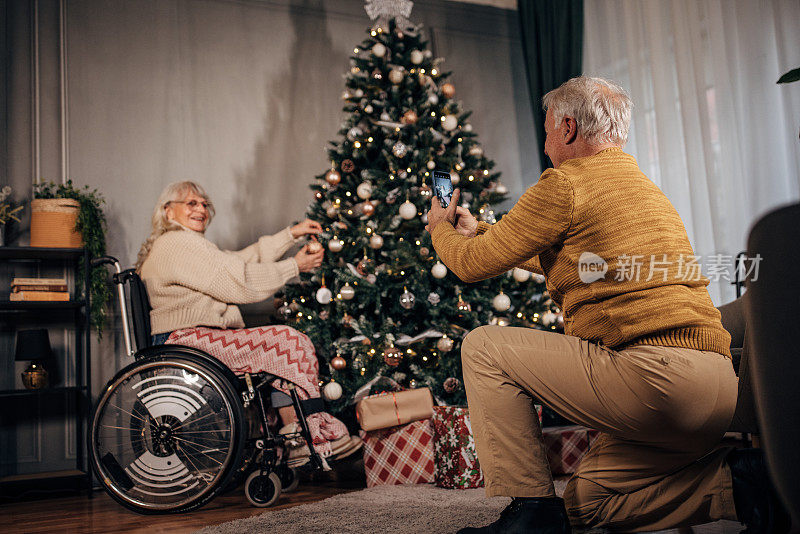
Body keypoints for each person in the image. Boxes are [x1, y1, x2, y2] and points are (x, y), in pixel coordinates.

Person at [426, 77, 789, 533]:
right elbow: (581, 263)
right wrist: (480, 230)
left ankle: (531, 512)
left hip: (656, 383)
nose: (545, 143)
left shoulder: (566, 182)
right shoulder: (643, 188)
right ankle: (741, 484)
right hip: (717, 389)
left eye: (546, 130)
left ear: (569, 128)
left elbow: (472, 265)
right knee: (586, 501)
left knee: (483, 348)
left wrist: (440, 227)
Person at [137, 181, 362, 467]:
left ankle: (295, 433)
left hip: (190, 338)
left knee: (282, 345)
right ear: (168, 211)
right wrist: (295, 267)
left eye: (204, 204)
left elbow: (238, 261)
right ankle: (302, 434)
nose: (201, 209)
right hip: (186, 341)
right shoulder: (177, 243)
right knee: (289, 341)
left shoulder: (182, 245)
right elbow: (239, 280)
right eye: (191, 203)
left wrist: (289, 235)